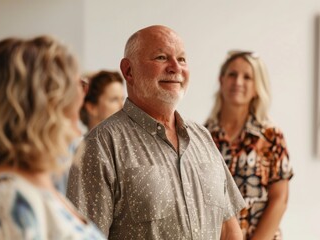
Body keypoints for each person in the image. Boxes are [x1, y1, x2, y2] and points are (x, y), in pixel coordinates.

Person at [66, 25, 246, 240]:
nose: (175, 68)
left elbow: (228, 230)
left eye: (181, 59)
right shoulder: (100, 146)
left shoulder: (203, 138)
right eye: (161, 57)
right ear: (128, 71)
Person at [0, 36, 106, 240]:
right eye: (79, 84)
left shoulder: (27, 184)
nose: (83, 95)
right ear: (48, 102)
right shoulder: (5, 200)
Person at [204, 50, 294, 240]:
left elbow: (280, 199)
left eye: (247, 77)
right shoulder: (203, 136)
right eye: (232, 75)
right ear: (221, 81)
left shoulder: (271, 136)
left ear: (256, 88)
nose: (238, 82)